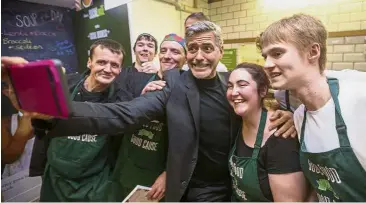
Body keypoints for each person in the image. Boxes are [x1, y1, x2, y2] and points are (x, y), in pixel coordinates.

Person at [3, 21, 295, 202]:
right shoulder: (174, 84)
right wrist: (55, 112)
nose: (199, 56)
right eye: (192, 48)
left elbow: (267, 98)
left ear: (219, 51)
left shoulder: (233, 86)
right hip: (187, 189)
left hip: (229, 188)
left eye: (207, 48)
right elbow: (122, 114)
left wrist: (289, 114)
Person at [258, 13, 366, 201]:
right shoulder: (300, 116)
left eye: (277, 53)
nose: (267, 64)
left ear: (313, 52)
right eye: (265, 56)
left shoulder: (358, 101)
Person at [30, 39, 132, 202]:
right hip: (55, 178)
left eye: (114, 65)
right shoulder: (64, 85)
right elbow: (42, 127)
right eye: (102, 62)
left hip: (94, 184)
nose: (108, 69)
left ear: (120, 69)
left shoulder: (123, 100)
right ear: (89, 62)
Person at [108, 33, 187, 202]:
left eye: (175, 51)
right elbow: (126, 115)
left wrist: (169, 173)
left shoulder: (188, 89)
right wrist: (142, 99)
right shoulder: (143, 80)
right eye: (164, 50)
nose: (167, 56)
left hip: (158, 172)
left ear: (186, 58)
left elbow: (189, 140)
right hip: (129, 162)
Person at [227, 63, 309, 201]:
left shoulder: (281, 137)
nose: (234, 92)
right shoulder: (236, 122)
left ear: (263, 90)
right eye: (230, 86)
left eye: (242, 85)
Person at [1, 57, 34, 173]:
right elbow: (7, 158)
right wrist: (22, 132)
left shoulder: (54, 118)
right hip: (20, 187)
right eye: (14, 90)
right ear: (6, 93)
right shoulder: (5, 123)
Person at [118, 33, 160, 97]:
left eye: (150, 46)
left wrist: (157, 75)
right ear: (134, 50)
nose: (145, 49)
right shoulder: (121, 73)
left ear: (155, 53)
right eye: (140, 45)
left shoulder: (160, 77)